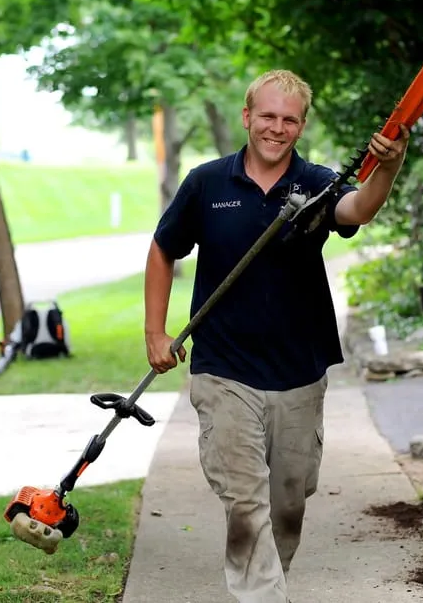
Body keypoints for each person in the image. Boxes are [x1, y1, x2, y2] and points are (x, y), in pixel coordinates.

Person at [143, 69, 409, 603]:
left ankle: (264, 588)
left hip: (299, 371)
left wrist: (389, 167)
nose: (276, 128)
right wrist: (155, 330)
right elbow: (163, 248)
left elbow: (358, 208)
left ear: (301, 126)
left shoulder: (317, 183)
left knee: (287, 506)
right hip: (224, 370)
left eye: (289, 119)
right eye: (267, 115)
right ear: (247, 117)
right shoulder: (206, 183)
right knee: (245, 501)